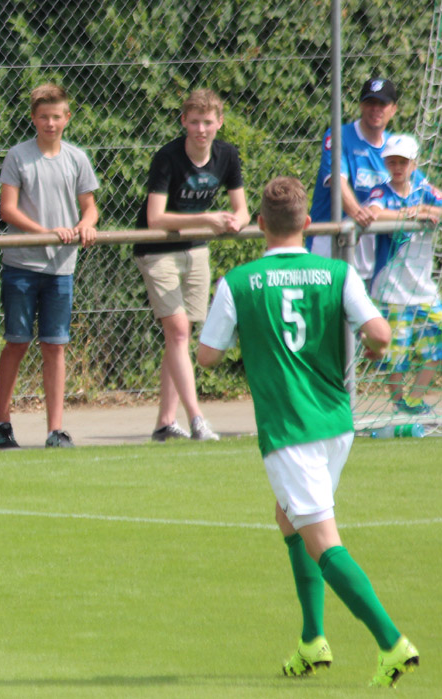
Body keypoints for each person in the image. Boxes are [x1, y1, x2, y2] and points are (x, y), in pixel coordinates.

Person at [197, 176, 419, 688]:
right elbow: (380, 334)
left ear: (260, 226)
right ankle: (312, 639)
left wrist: (240, 337)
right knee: (288, 518)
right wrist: (373, 350)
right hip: (336, 423)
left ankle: (391, 643)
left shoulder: (240, 281)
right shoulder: (337, 273)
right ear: (307, 224)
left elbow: (207, 356)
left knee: (323, 540)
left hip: (289, 429)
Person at [134, 89, 248, 442]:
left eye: (208, 122)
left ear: (219, 123)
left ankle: (165, 422)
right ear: (183, 122)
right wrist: (206, 219)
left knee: (179, 337)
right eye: (194, 121)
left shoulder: (227, 155)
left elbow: (241, 207)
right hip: (157, 250)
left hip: (197, 250)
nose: (201, 129)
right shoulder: (167, 157)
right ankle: (197, 419)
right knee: (180, 332)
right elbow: (155, 218)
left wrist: (236, 222)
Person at [0, 84, 99, 449]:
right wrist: (47, 232)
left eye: (57, 116)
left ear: (67, 118)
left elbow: (90, 207)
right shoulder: (18, 156)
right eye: (43, 117)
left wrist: (86, 224)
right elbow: (8, 209)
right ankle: (1, 422)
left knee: (55, 346)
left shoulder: (76, 158)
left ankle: (56, 429)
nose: (50, 123)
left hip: (61, 269)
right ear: (33, 119)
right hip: (22, 266)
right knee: (17, 342)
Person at [362, 134, 442, 415]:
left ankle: (416, 399)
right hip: (392, 289)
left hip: (424, 289)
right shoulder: (381, 192)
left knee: (437, 342)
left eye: (403, 162)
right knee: (397, 353)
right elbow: (372, 213)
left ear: (413, 164)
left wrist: (423, 210)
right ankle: (399, 404)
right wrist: (407, 217)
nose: (397, 167)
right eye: (392, 162)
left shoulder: (424, 190)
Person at [308, 77, 399, 285]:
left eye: (382, 104)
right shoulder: (339, 136)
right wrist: (358, 213)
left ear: (393, 109)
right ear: (361, 105)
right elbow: (336, 182)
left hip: (369, 257)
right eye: (370, 102)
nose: (375, 109)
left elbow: (413, 189)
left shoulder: (395, 148)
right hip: (329, 246)